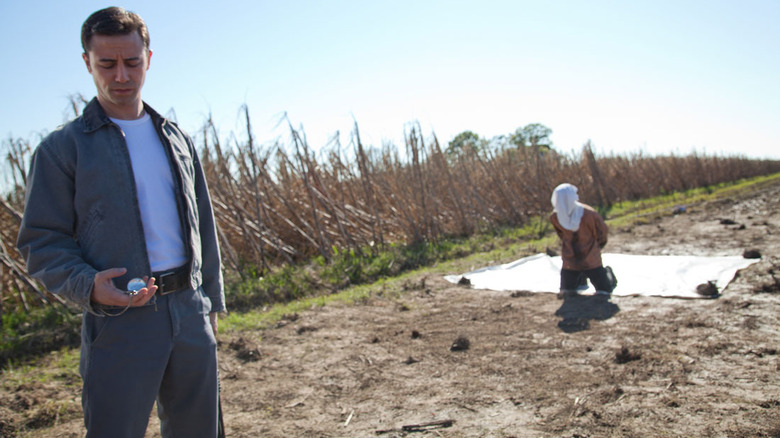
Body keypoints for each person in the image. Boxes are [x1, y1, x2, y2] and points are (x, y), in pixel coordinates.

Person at [17, 7, 225, 437]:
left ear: (148, 58)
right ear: (86, 63)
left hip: (189, 311)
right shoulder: (62, 150)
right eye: (106, 64)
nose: (121, 76)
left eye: (132, 62)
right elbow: (41, 241)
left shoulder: (177, 139)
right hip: (119, 320)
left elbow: (204, 224)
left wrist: (211, 303)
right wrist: (88, 284)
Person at [550, 183, 616, 299]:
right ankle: (581, 278)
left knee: (605, 290)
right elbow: (602, 234)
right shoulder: (555, 217)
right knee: (566, 292)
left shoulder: (588, 214)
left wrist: (595, 247)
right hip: (571, 260)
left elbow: (602, 233)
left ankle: (607, 274)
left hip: (590, 259)